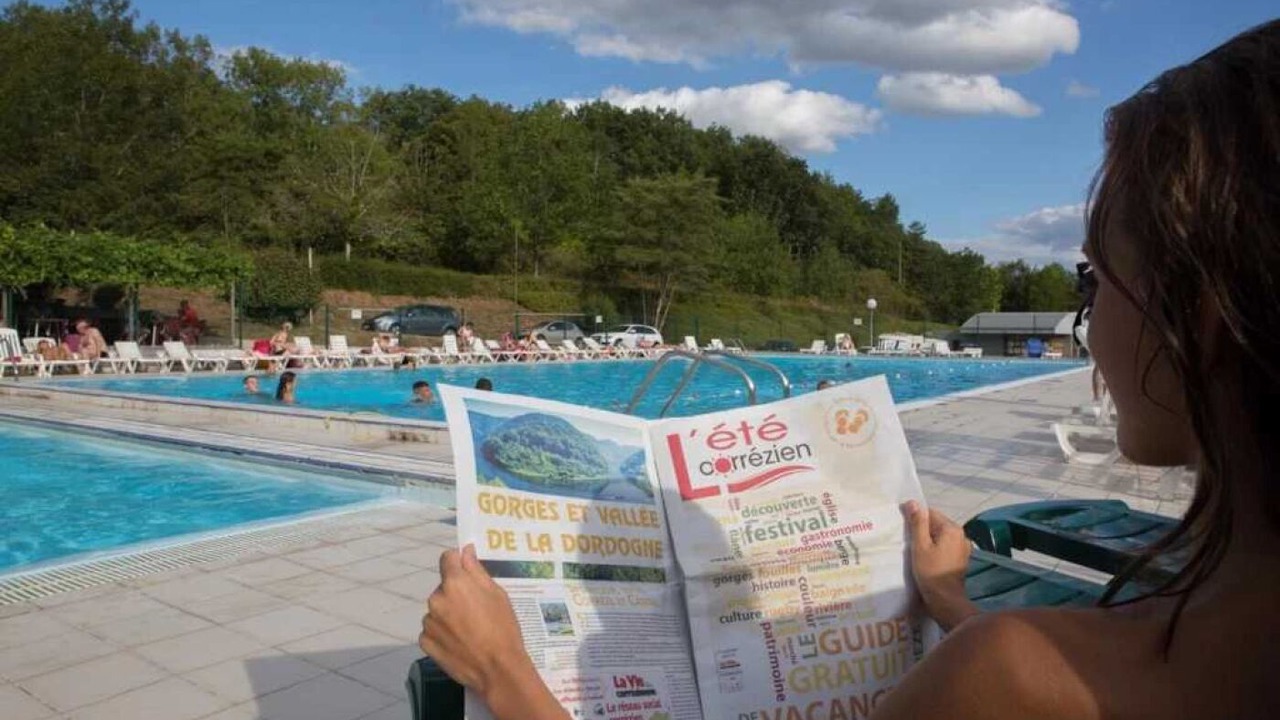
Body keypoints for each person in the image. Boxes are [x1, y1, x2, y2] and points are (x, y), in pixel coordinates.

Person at [418, 21, 1280, 720]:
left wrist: (503, 674)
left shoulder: (1014, 674)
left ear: (1201, 312)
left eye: (1093, 278)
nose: (1088, 320)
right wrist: (954, 605)